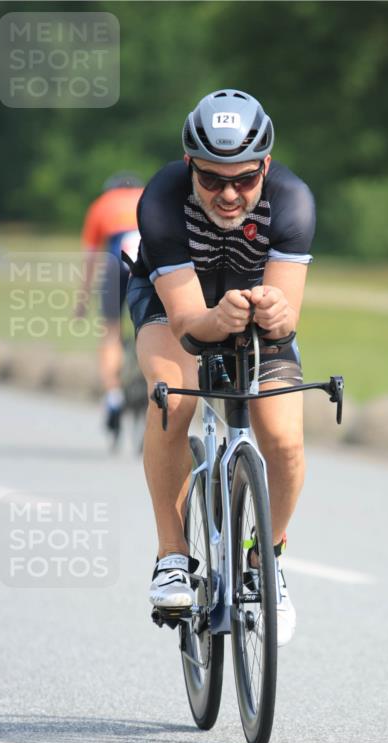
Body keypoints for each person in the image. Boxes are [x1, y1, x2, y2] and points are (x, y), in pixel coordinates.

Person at [126, 89, 315, 646]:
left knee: (282, 439)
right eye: (211, 179)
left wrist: (275, 314)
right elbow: (188, 323)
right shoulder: (161, 199)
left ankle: (267, 557)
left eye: (244, 179)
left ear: (266, 167)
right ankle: (171, 555)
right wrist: (218, 315)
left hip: (246, 307)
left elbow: (285, 320)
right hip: (173, 303)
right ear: (189, 167)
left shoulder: (293, 201)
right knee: (174, 396)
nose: (229, 194)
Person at [78, 173, 144, 434]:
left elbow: (91, 259)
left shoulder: (101, 205)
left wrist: (82, 300)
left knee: (110, 333)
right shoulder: (147, 198)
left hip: (116, 263)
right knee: (154, 327)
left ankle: (113, 396)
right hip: (146, 263)